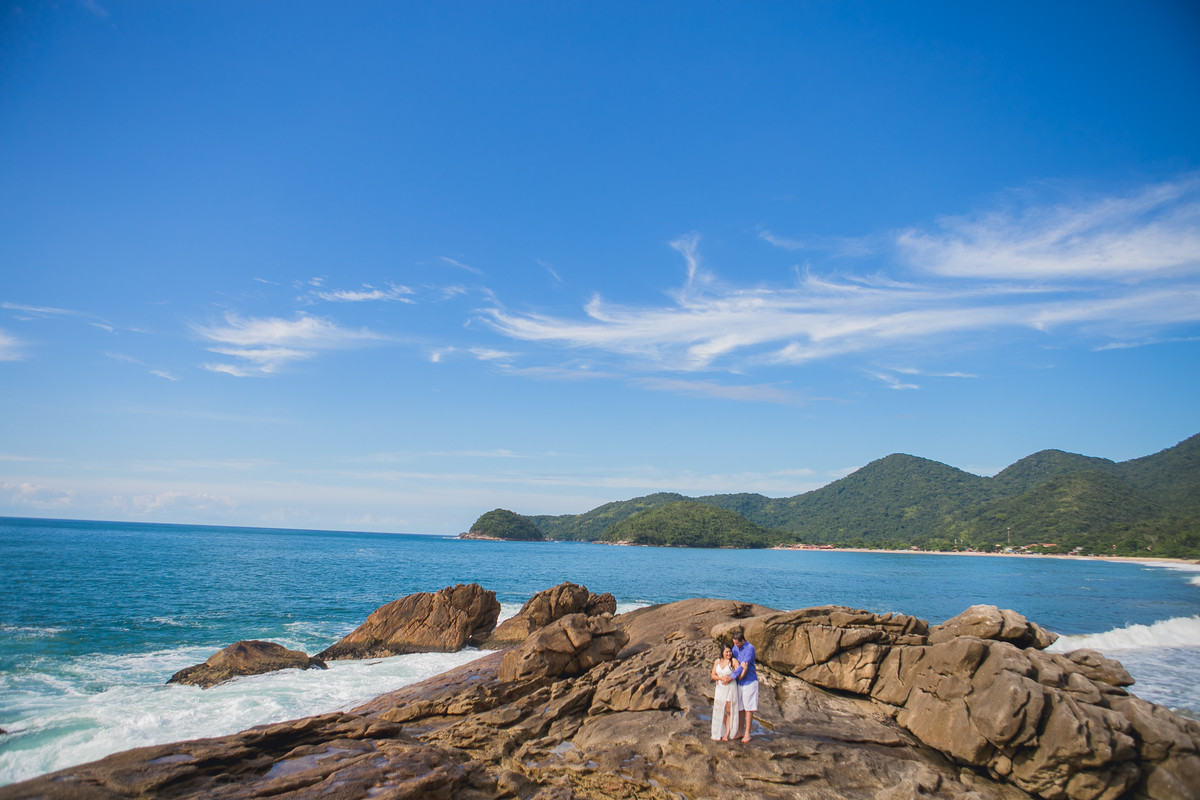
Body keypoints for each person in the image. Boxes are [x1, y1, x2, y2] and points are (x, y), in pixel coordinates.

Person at [730, 627, 758, 743]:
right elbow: (733, 662)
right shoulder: (735, 648)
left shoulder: (750, 649)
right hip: (739, 682)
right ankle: (740, 731)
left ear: (742, 641)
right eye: (734, 643)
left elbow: (743, 666)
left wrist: (731, 676)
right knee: (740, 707)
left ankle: (747, 734)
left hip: (749, 681)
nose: (735, 645)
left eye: (737, 643)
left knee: (748, 708)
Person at [710, 644, 740, 741]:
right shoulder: (718, 661)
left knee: (729, 710)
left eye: (730, 652)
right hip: (720, 688)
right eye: (726, 652)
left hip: (730, 688)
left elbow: (738, 673)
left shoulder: (733, 661)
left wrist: (730, 678)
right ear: (722, 652)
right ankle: (721, 731)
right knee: (719, 709)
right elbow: (713, 675)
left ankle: (727, 733)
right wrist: (720, 678)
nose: (729, 654)